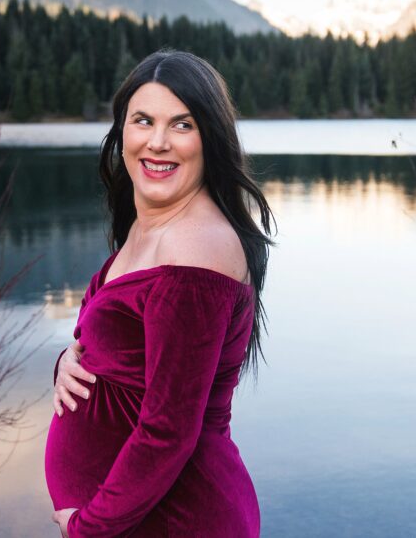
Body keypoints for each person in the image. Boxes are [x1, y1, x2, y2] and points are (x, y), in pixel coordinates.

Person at [44, 49, 275, 537]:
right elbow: (123, 350)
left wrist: (88, 528)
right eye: (143, 120)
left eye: (182, 125)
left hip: (179, 519)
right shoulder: (150, 230)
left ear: (209, 138)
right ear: (122, 132)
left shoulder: (196, 247)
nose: (158, 142)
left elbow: (169, 430)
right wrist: (70, 361)